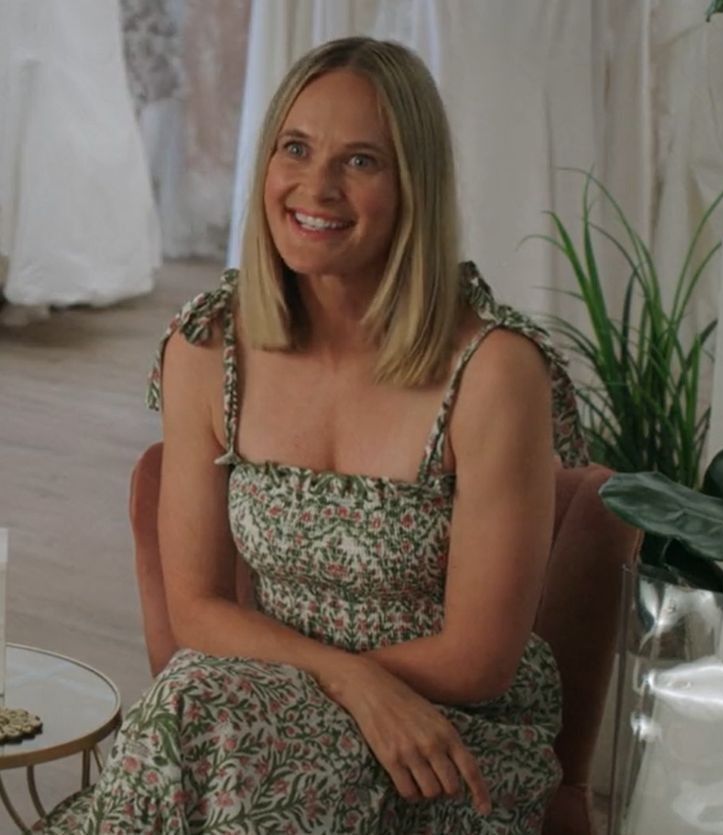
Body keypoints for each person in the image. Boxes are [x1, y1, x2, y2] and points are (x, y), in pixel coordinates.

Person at [36, 36, 588, 834]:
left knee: (203, 714)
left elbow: (480, 656)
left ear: (414, 186)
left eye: (361, 161)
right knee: (212, 713)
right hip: (256, 707)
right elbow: (196, 608)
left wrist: (340, 691)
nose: (316, 186)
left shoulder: (495, 370)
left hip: (442, 736)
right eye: (295, 148)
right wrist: (347, 681)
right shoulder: (207, 345)